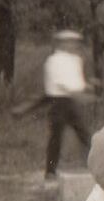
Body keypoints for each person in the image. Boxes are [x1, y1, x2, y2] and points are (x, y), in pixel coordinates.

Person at [12, 30, 95, 182]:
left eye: (74, 42)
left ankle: (95, 166)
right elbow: (60, 83)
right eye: (69, 42)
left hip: (71, 102)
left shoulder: (76, 60)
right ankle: (50, 171)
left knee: (85, 134)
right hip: (58, 103)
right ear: (62, 43)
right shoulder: (53, 61)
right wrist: (79, 92)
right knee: (56, 138)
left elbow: (77, 81)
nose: (73, 45)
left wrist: (85, 88)